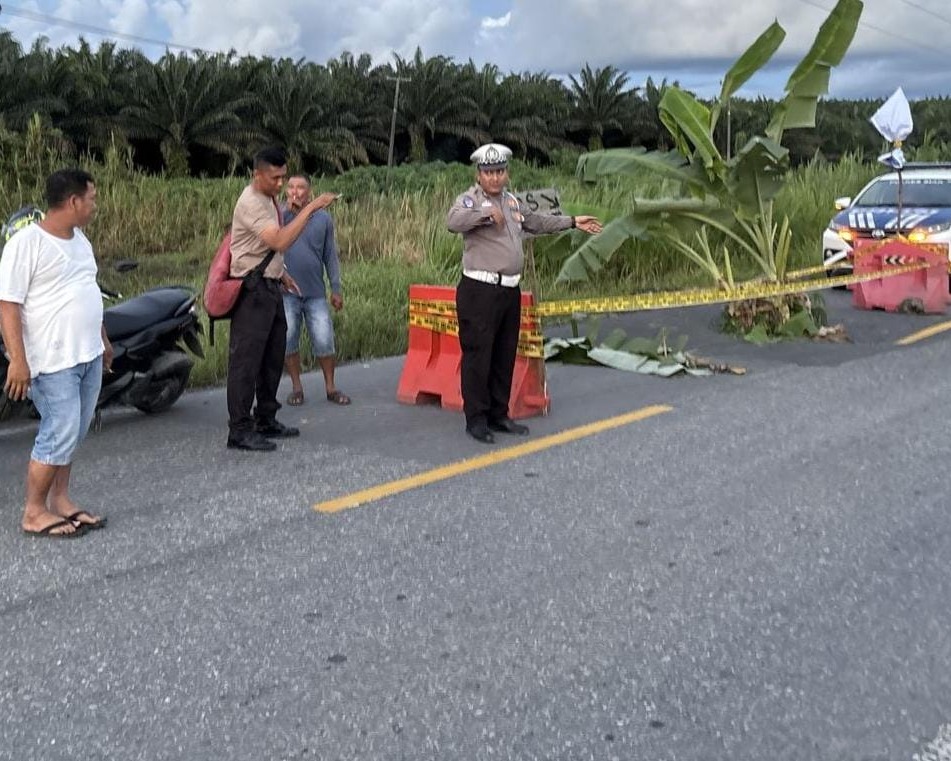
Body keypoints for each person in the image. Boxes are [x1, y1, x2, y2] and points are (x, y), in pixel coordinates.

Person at [447, 143, 602, 444]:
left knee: (504, 354)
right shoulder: (469, 200)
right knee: (479, 356)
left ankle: (499, 414)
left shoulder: (512, 202)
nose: (494, 177)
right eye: (488, 172)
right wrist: (485, 213)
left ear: (507, 173)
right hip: (480, 289)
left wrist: (572, 222)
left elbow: (536, 221)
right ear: (478, 175)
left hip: (509, 290)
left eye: (499, 171)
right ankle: (476, 419)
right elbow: (452, 222)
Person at [0, 168, 112, 538]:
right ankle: (34, 511)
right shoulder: (26, 244)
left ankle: (61, 500)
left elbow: (87, 289)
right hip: (52, 362)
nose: (95, 205)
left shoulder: (80, 240)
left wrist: (103, 340)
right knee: (58, 430)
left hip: (88, 355)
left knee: (74, 432)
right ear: (73, 201)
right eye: (92, 198)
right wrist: (18, 359)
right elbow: (8, 306)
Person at [226, 147, 338, 452]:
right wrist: (312, 207)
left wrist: (281, 273)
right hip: (252, 291)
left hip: (271, 286)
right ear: (256, 174)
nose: (280, 184)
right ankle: (239, 430)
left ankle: (265, 417)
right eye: (275, 178)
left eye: (283, 177)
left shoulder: (270, 199)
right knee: (246, 362)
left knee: (272, 356)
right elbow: (280, 240)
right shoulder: (251, 202)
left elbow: (271, 250)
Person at [281, 175, 350, 407]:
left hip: (315, 293)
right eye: (291, 187)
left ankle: (330, 387)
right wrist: (286, 213)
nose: (295, 192)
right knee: (288, 339)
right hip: (286, 293)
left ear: (309, 193)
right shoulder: (279, 216)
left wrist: (336, 287)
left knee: (323, 339)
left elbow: (330, 255)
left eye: (300, 188)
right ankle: (296, 388)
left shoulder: (323, 219)